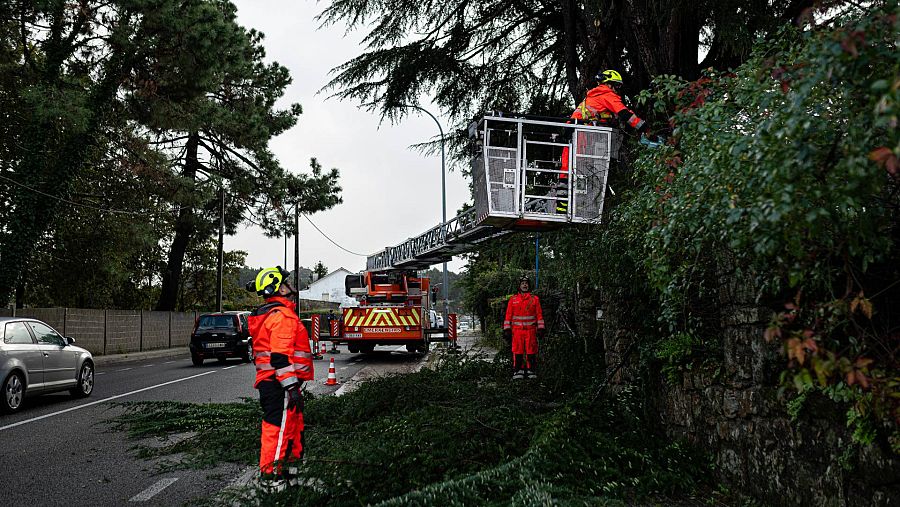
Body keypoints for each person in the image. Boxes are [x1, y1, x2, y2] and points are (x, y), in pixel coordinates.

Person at [245, 266, 314, 481]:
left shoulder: (273, 314)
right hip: (280, 384)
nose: (290, 285)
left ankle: (291, 472)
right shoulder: (282, 316)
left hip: (277, 383)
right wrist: (291, 387)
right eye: (286, 282)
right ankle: (272, 478)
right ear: (278, 289)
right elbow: (280, 358)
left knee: (292, 426)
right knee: (278, 428)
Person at [558, 69, 649, 213]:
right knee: (589, 167)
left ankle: (562, 207)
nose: (618, 90)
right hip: (583, 134)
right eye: (617, 86)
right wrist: (644, 127)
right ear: (610, 84)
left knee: (567, 169)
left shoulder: (593, 96)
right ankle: (581, 206)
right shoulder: (607, 94)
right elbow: (625, 114)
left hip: (572, 131)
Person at [503, 276, 545, 379]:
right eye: (522, 283)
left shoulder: (535, 299)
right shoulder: (513, 300)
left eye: (526, 283)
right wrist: (507, 329)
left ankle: (531, 370)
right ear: (519, 286)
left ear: (529, 285)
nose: (525, 285)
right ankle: (518, 370)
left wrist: (541, 328)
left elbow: (539, 315)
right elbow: (508, 315)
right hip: (517, 331)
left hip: (531, 330)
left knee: (531, 350)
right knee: (517, 350)